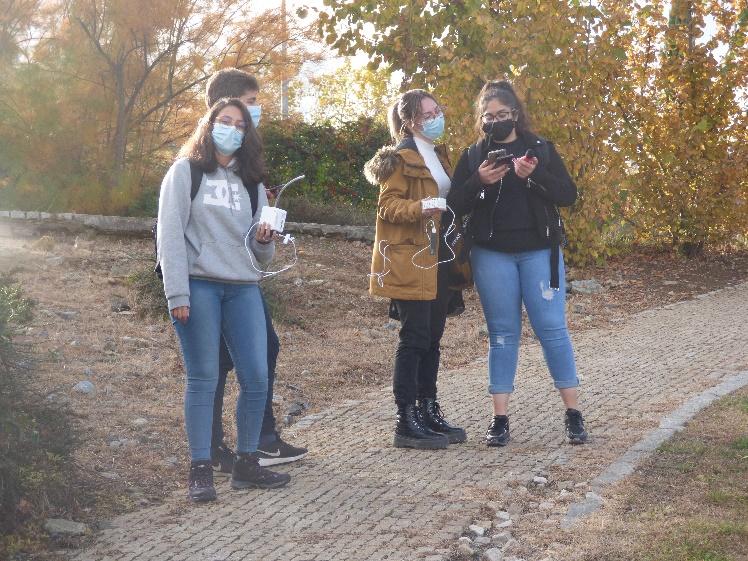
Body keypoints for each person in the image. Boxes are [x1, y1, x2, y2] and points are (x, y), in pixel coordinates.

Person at [157, 98, 291, 502]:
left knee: (256, 377)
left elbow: (261, 254)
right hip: (198, 286)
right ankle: (200, 469)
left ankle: (247, 463)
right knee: (203, 377)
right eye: (224, 121)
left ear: (248, 134)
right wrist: (177, 292)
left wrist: (264, 240)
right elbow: (169, 234)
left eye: (239, 124)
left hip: (243, 287)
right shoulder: (186, 171)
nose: (231, 129)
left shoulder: (252, 182)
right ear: (209, 124)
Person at [447, 80, 588, 447]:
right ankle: (499, 419)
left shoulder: (540, 149)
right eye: (489, 116)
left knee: (552, 329)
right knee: (502, 334)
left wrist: (534, 175)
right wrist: (479, 181)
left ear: (515, 114)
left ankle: (574, 414)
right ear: (481, 119)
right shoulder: (473, 155)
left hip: (539, 252)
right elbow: (454, 206)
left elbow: (568, 195)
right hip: (491, 254)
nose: (496, 121)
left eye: (502, 114)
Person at [204, 69, 307, 470]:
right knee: (218, 361)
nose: (256, 110)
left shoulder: (245, 157)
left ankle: (255, 439)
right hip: (211, 280)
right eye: (250, 102)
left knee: (260, 349)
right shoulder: (196, 161)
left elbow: (250, 233)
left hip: (243, 275)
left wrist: (261, 206)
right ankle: (223, 446)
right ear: (224, 107)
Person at [364, 89, 466, 449]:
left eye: (438, 110)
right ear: (409, 121)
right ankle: (405, 419)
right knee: (414, 338)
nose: (436, 117)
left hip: (440, 257)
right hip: (410, 258)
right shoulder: (400, 158)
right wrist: (420, 207)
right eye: (428, 114)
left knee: (433, 338)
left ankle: (428, 410)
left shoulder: (439, 154)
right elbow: (387, 206)